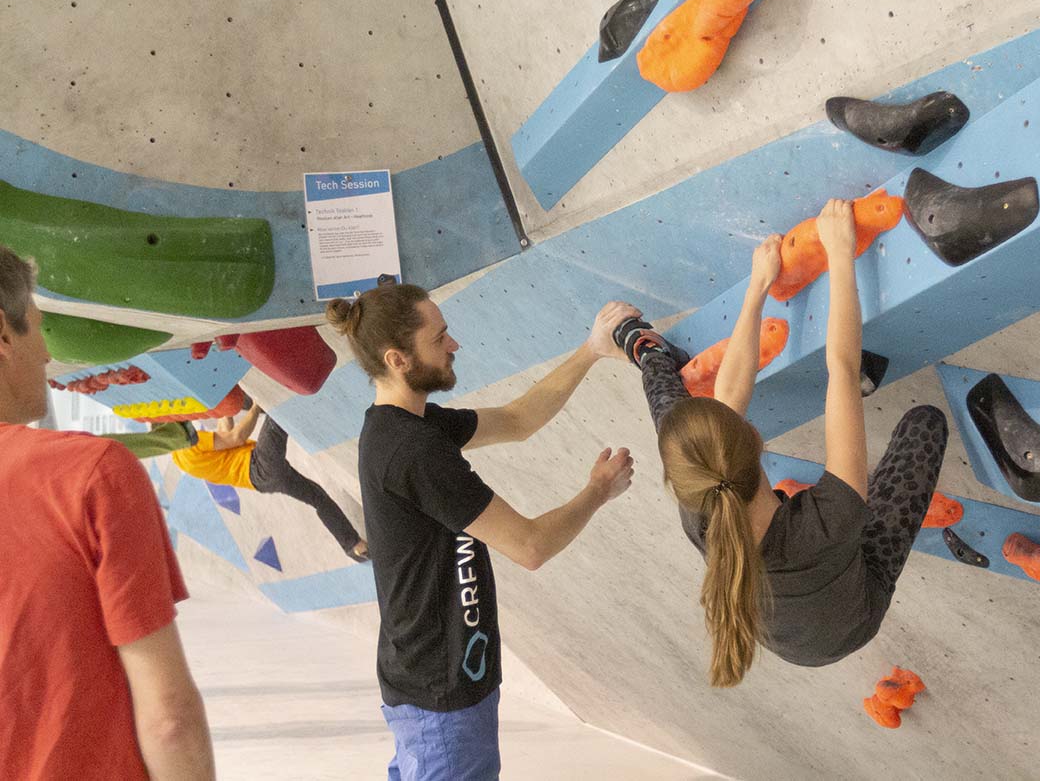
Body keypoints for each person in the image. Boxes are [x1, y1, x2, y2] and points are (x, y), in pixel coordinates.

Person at [615, 199, 948, 687]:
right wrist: (840, 253)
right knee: (926, 423)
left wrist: (757, 289)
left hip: (787, 634)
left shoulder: (705, 505)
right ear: (754, 439)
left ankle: (651, 358)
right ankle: (654, 365)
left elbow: (729, 395)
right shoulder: (831, 519)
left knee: (675, 425)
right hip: (849, 622)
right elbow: (841, 366)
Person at [326, 286, 637, 781]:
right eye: (440, 337)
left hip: (431, 684)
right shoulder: (413, 451)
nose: (454, 346)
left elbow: (518, 420)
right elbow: (530, 546)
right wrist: (597, 491)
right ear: (398, 359)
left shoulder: (407, 426)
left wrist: (591, 350)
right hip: (441, 695)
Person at [0, 245, 214, 779]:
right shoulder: (93, 474)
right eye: (39, 328)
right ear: (4, 338)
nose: (47, 355)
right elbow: (169, 719)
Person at [170, 403, 370, 562]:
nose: (188, 420)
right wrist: (258, 403)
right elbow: (236, 437)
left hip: (262, 480)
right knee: (276, 404)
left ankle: (353, 546)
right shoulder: (190, 445)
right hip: (259, 464)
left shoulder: (180, 456)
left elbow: (224, 434)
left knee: (318, 498)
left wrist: (226, 407)